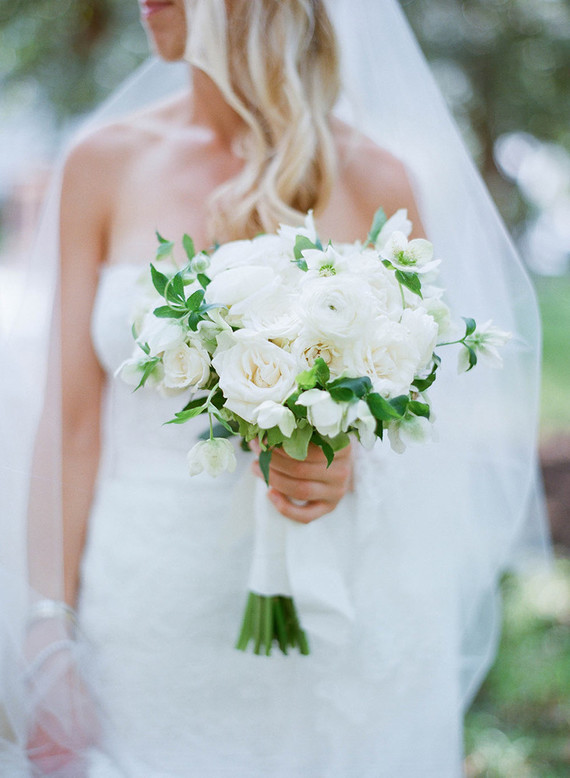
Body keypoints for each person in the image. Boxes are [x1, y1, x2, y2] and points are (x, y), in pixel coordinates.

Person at [0, 1, 549, 776]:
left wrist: (345, 467)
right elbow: (71, 422)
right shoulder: (103, 162)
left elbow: (423, 421)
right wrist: (47, 622)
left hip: (340, 616)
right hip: (148, 606)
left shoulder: (379, 178)